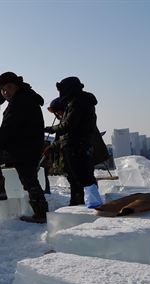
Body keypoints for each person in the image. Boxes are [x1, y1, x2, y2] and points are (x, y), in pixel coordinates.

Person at [0, 72, 47, 223]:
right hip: (30, 147)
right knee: (30, 180)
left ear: (17, 86)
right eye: (3, 90)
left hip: (22, 147)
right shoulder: (28, 98)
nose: (6, 92)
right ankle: (41, 213)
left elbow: (8, 127)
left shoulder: (20, 101)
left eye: (9, 87)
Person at [44, 77, 102, 208]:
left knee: (82, 177)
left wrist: (51, 129)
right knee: (79, 177)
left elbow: (69, 125)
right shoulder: (82, 101)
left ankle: (92, 204)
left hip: (76, 145)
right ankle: (80, 203)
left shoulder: (77, 102)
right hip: (78, 145)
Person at [46, 97, 84, 205]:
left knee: (77, 179)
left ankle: (79, 201)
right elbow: (60, 140)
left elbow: (67, 138)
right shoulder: (64, 122)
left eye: (59, 112)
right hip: (69, 154)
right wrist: (52, 146)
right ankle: (75, 201)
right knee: (73, 179)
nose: (58, 115)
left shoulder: (70, 123)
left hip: (77, 153)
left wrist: (51, 130)